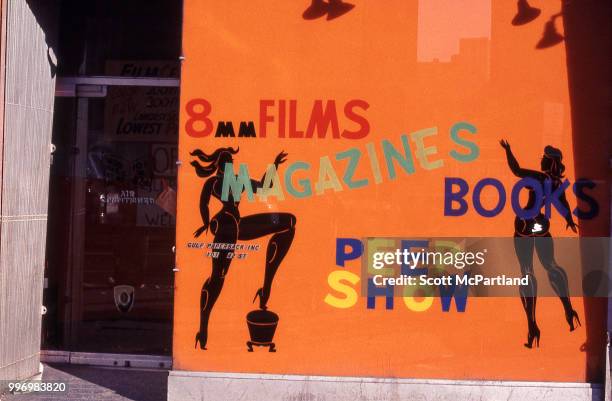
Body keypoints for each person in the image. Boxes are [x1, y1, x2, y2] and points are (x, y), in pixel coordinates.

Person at [190, 147, 296, 349]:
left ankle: (265, 289)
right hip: (225, 226)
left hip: (238, 226)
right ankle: (202, 330)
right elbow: (203, 204)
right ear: (219, 166)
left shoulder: (238, 179)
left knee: (289, 222)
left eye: (230, 162)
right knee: (217, 277)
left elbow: (265, 187)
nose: (228, 165)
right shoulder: (214, 182)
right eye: (226, 162)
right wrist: (206, 224)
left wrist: (274, 164)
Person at [500, 140, 580, 349]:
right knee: (551, 265)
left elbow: (516, 170)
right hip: (540, 226)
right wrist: (569, 220)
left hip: (526, 226)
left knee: (527, 271)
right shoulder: (555, 183)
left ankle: (532, 325)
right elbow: (564, 204)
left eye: (544, 158)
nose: (541, 159)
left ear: (549, 162)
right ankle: (569, 309)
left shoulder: (539, 177)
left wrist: (509, 150)